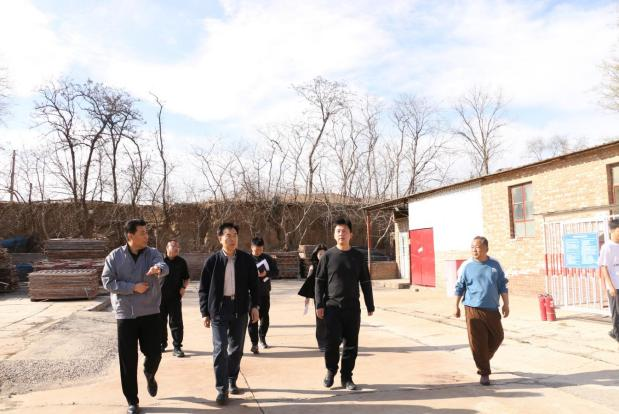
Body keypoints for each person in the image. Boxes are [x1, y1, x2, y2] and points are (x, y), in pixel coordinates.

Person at [101, 219, 169, 414]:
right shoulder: (115, 256)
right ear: (130, 236)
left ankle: (149, 372)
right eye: (142, 233)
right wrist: (132, 288)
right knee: (128, 360)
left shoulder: (152, 253)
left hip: (150, 311)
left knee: (155, 353)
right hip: (126, 314)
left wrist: (158, 269)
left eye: (147, 232)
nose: (147, 236)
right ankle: (132, 400)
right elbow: (107, 281)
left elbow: (163, 265)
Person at [199, 223, 260, 405]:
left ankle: (232, 379)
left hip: (239, 308)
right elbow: (203, 289)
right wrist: (204, 312)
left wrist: (255, 306)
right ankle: (221, 389)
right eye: (228, 235)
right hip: (219, 309)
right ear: (220, 239)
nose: (232, 239)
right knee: (220, 349)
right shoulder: (212, 261)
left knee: (236, 349)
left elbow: (254, 285)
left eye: (234, 235)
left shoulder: (246, 260)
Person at [315, 218, 374, 391]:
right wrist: (319, 304)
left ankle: (347, 377)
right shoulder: (327, 256)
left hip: (352, 308)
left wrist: (370, 304)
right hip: (332, 307)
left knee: (351, 345)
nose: (341, 234)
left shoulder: (358, 257)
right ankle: (331, 370)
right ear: (334, 234)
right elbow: (319, 282)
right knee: (332, 343)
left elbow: (365, 282)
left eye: (345, 231)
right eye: (338, 231)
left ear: (351, 234)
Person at [454, 236, 509, 386]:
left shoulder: (495, 265)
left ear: (486, 249)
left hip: (492, 308)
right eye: (472, 247)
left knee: (498, 337)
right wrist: (456, 306)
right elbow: (459, 286)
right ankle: (484, 372)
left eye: (477, 247)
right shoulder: (466, 266)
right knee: (478, 342)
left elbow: (502, 285)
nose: (474, 250)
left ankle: (483, 358)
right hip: (473, 308)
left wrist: (506, 304)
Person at [247, 236, 279, 353]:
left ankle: (262, 338)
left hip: (264, 292)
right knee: (253, 318)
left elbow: (276, 272)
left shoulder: (267, 258)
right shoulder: (246, 259)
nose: (258, 252)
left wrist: (266, 273)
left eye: (261, 250)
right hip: (251, 294)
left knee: (265, 318)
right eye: (256, 250)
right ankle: (254, 343)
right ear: (251, 247)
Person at [160, 240, 190, 357]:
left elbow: (186, 278)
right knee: (160, 322)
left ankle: (177, 347)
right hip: (159, 298)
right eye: (174, 246)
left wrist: (183, 287)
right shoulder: (159, 260)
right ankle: (161, 344)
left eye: (178, 247)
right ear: (167, 248)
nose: (177, 248)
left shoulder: (181, 262)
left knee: (176, 322)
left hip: (175, 297)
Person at [298, 243, 328, 351]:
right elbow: (309, 283)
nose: (322, 256)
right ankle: (322, 343)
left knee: (332, 319)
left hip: (331, 296)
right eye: (320, 254)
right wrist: (307, 298)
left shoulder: (331, 265)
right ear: (316, 255)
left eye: (324, 254)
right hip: (319, 297)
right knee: (321, 320)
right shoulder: (313, 267)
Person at [599, 218, 619, 343]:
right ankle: (617, 334)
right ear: (615, 230)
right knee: (616, 312)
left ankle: (613, 332)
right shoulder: (607, 247)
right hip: (614, 285)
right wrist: (610, 286)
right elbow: (604, 267)